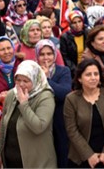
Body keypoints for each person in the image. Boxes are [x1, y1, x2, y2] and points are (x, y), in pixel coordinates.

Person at [0, 60, 57, 168]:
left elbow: (39, 127)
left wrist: (24, 104)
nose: (21, 84)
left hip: (37, 162)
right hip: (11, 160)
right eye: (18, 80)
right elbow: (3, 125)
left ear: (35, 80)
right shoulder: (11, 94)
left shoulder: (45, 97)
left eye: (26, 81)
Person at [63, 59, 104, 168]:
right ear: (80, 78)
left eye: (96, 74)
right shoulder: (71, 99)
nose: (93, 78)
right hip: (81, 156)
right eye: (88, 75)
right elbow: (71, 130)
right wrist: (89, 155)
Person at [36, 39, 72, 168]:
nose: (46, 58)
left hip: (59, 118)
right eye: (42, 54)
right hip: (39, 120)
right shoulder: (31, 72)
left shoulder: (63, 71)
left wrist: (46, 79)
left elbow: (64, 93)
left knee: (62, 151)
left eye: (49, 53)